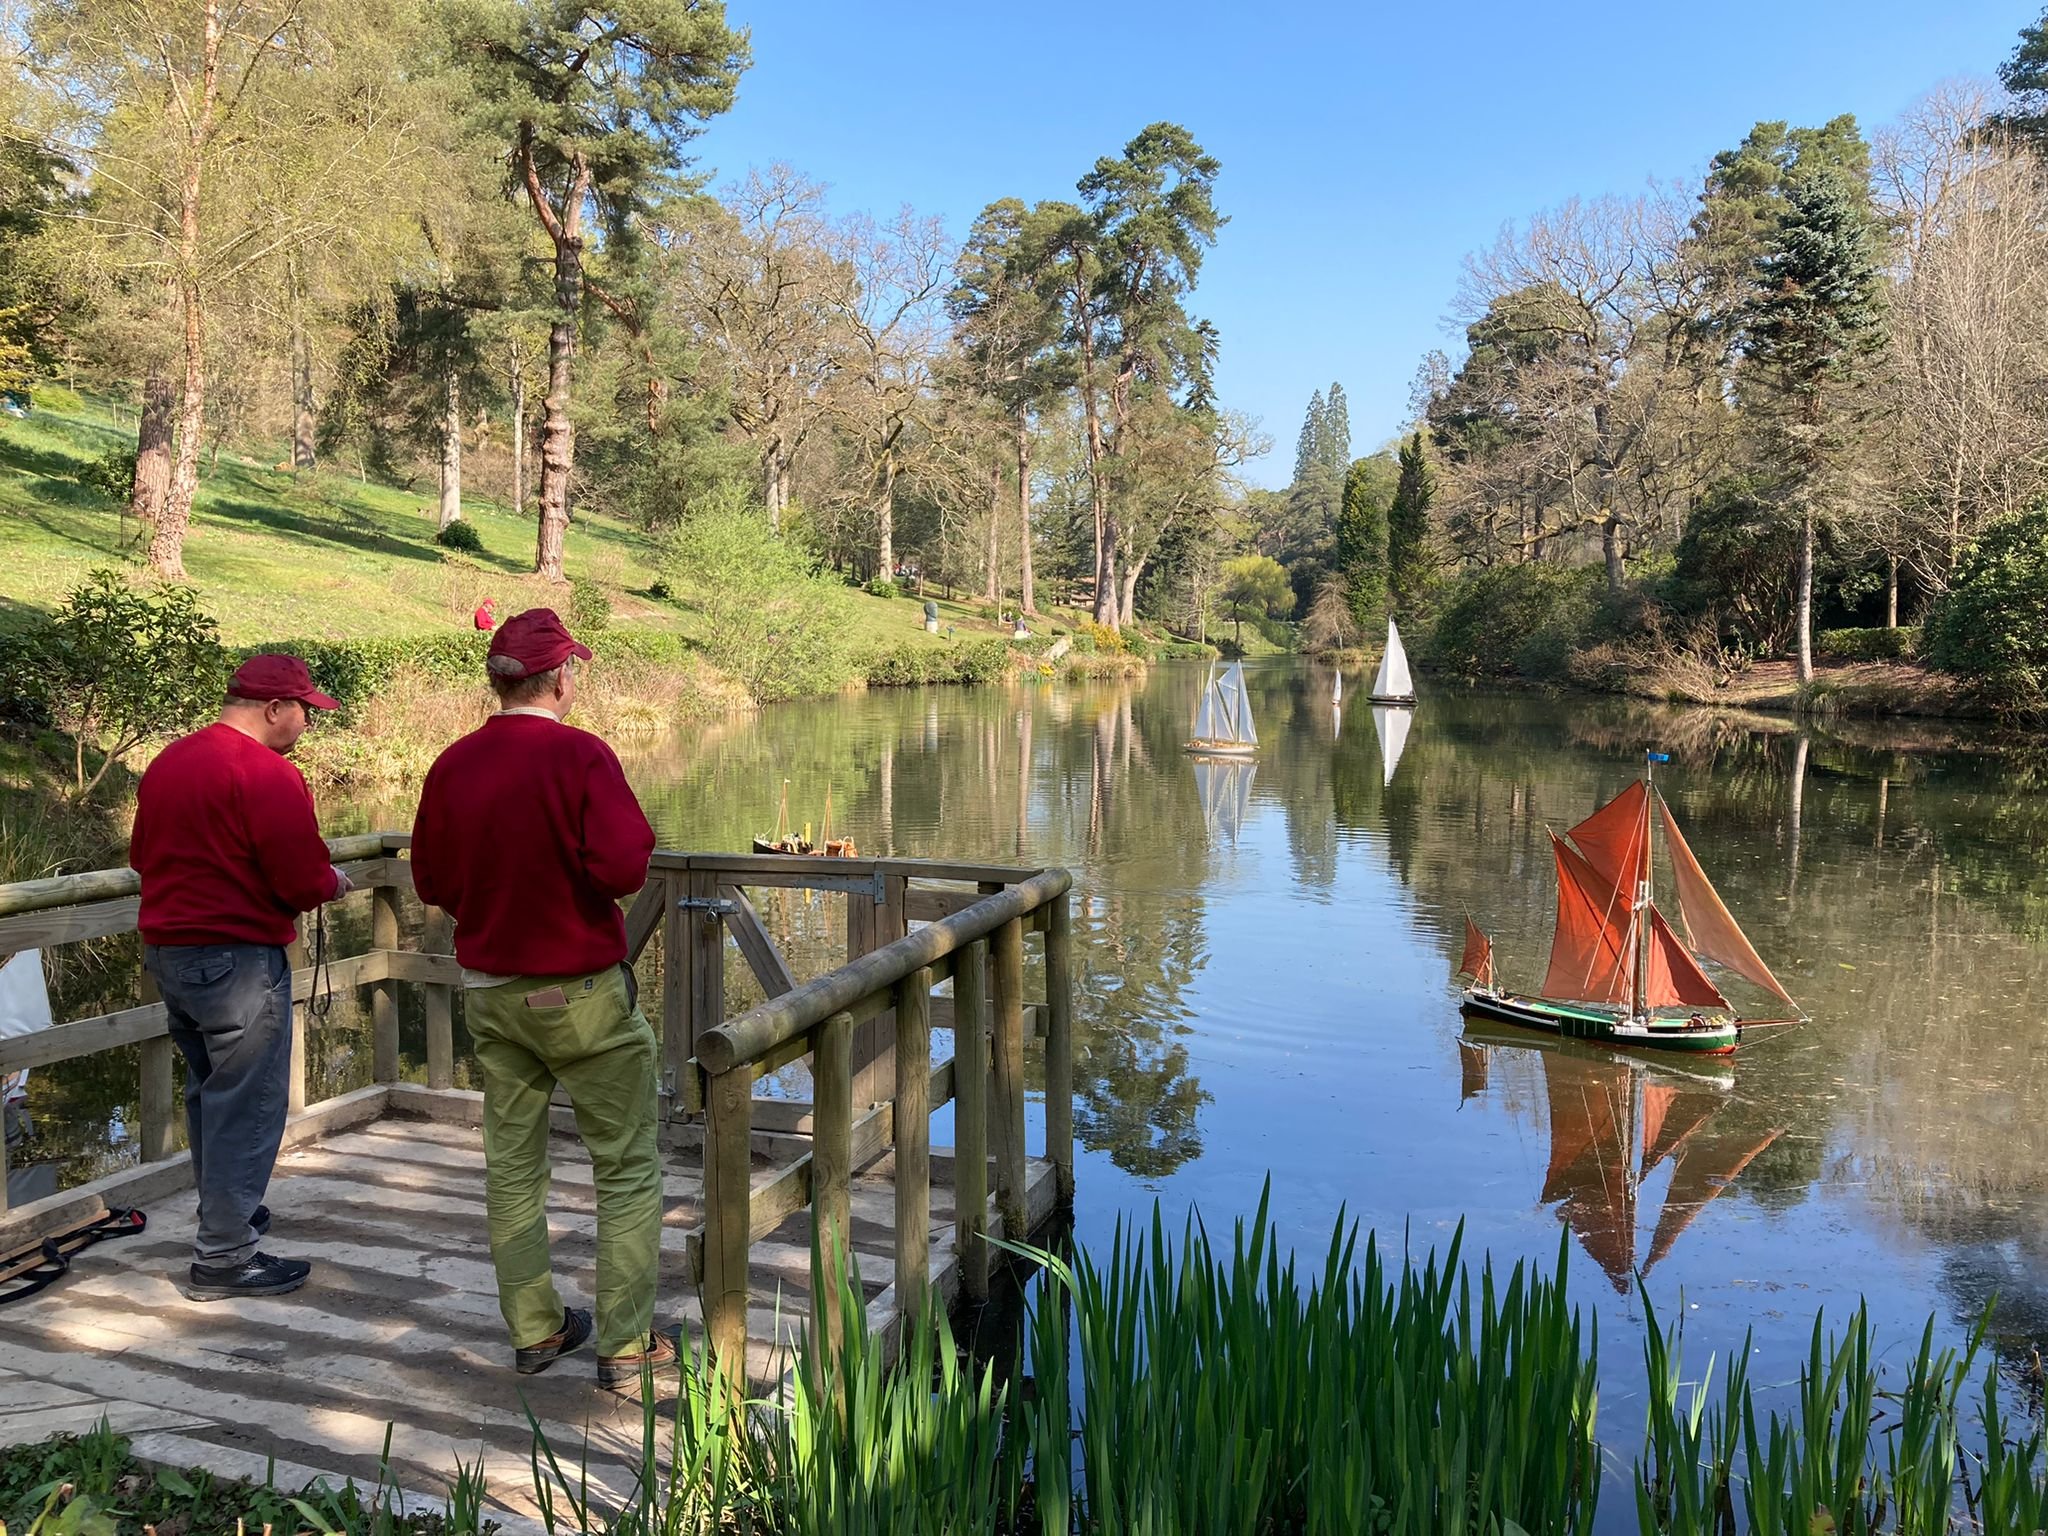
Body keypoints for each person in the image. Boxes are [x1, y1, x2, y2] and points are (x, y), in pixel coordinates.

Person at [408, 608, 665, 1388]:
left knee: (512, 1169)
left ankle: (536, 1330)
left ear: (498, 680)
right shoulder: (582, 757)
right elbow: (624, 867)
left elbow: (431, 880)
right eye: (572, 670)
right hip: (581, 995)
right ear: (560, 677)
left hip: (490, 994)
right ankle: (624, 1347)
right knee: (624, 1167)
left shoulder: (452, 765)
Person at [129, 654, 351, 1300]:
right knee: (248, 1101)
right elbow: (300, 879)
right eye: (305, 710)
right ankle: (224, 1256)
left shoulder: (170, 762)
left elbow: (142, 856)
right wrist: (333, 881)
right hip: (238, 963)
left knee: (209, 1092)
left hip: (170, 955)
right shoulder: (267, 774)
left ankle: (226, 1214)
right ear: (273, 709)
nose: (309, 722)